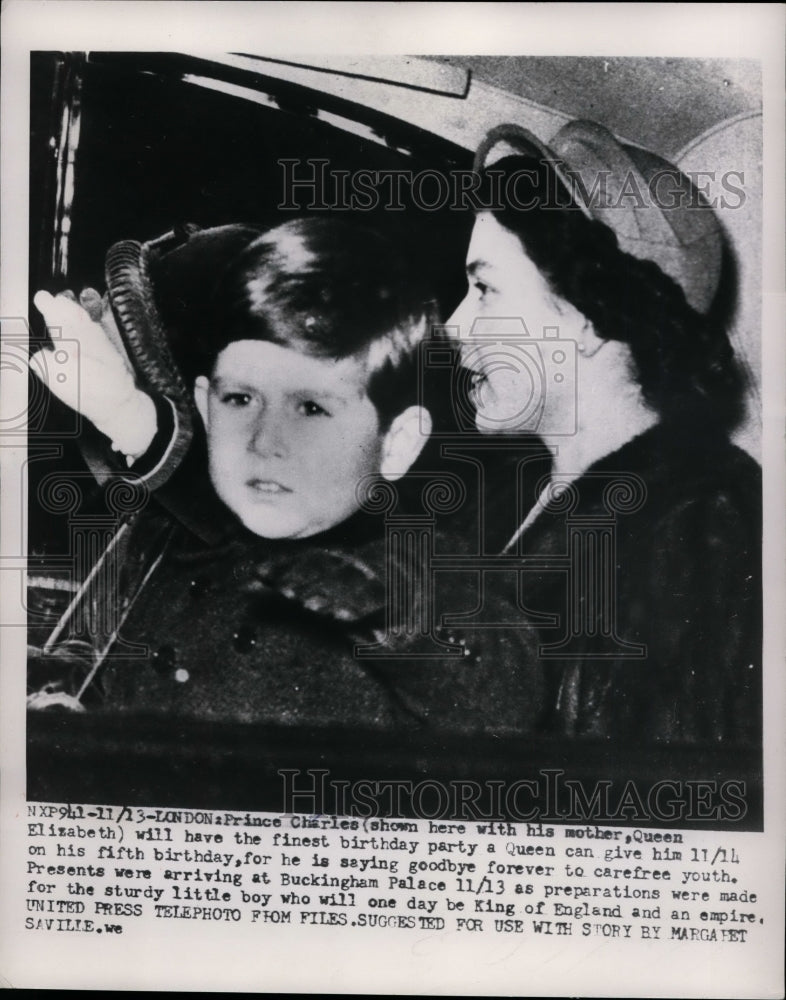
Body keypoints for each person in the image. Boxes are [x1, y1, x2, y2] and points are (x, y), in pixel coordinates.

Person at [28, 217, 545, 734]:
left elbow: (499, 696)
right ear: (208, 410)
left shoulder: (415, 570)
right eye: (241, 400)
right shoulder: (178, 546)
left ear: (398, 444)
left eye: (313, 409)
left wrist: (397, 614)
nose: (265, 441)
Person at [445, 121, 761, 745]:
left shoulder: (703, 517)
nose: (455, 325)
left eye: (484, 289)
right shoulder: (510, 491)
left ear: (589, 318)